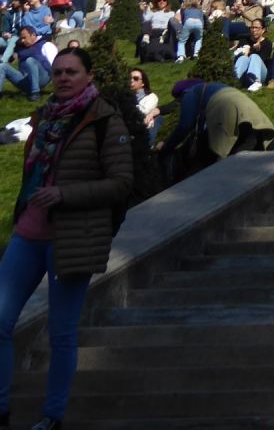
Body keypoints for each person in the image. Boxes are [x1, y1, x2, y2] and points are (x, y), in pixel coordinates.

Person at [0, 47, 133, 430]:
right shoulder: (43, 118)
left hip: (72, 238)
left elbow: (122, 182)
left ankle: (52, 415)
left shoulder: (105, 121)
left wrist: (64, 195)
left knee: (61, 333)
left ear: (88, 76)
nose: (61, 78)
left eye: (71, 72)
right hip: (28, 232)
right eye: (57, 72)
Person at [3, 25, 57, 100]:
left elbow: (55, 66)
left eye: (25, 38)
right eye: (21, 38)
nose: (22, 41)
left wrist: (57, 88)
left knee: (30, 60)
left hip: (42, 77)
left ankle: (35, 93)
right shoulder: (21, 47)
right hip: (25, 79)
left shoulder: (46, 45)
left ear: (33, 35)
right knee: (2, 66)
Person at [130, 66, 161, 144]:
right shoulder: (124, 97)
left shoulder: (151, 97)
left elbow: (143, 111)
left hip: (141, 132)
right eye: (129, 78)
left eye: (135, 78)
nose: (131, 80)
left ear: (143, 83)